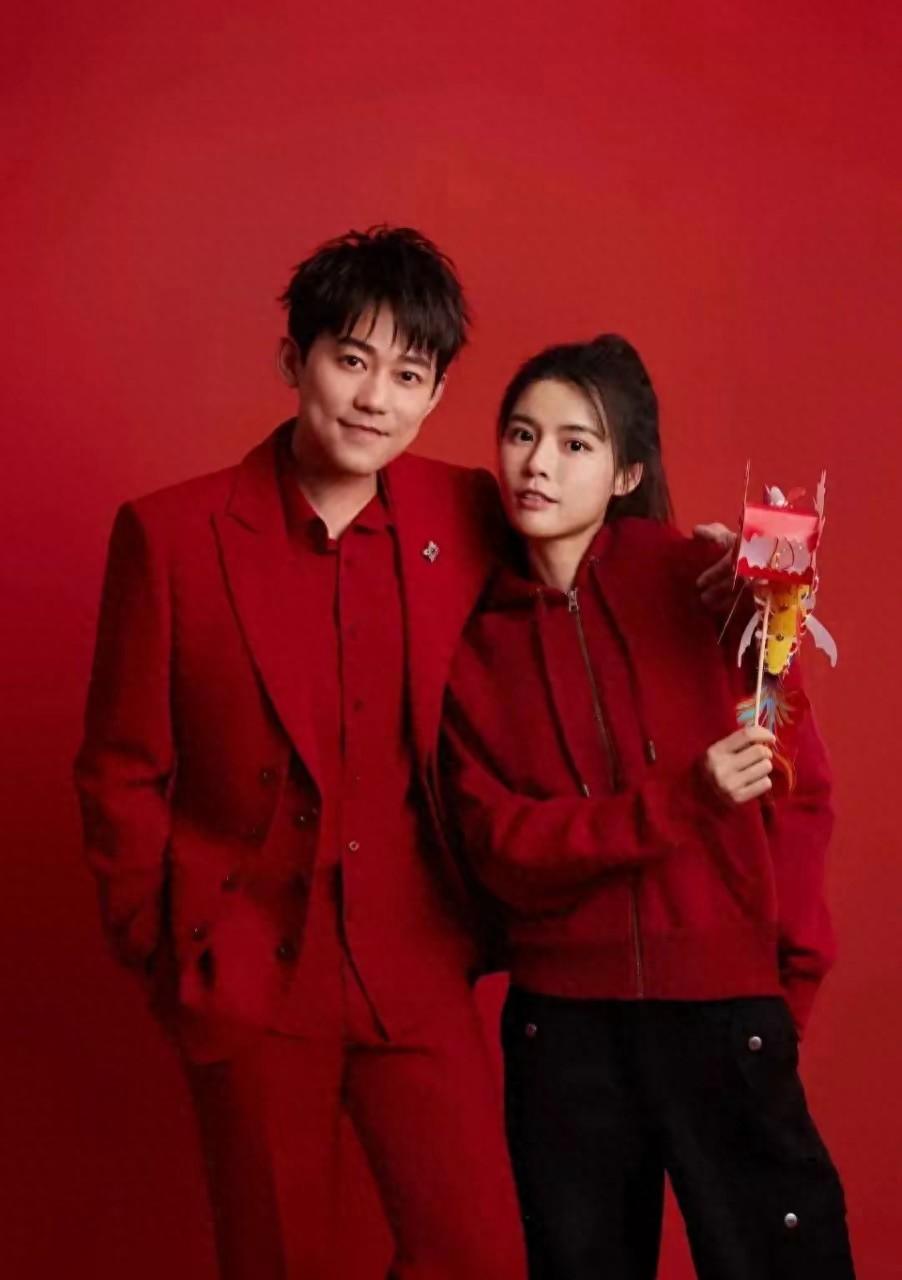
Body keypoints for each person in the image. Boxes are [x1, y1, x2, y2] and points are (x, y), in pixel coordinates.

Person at [74, 226, 529, 1279]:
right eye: (351, 359)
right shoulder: (171, 536)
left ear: (435, 395)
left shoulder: (465, 511)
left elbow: (588, 561)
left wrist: (721, 572)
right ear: (295, 359)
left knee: (483, 1255)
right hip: (249, 975)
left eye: (406, 375)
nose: (374, 399)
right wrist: (163, 945)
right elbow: (119, 765)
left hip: (416, 969)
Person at [440, 334, 855, 1279]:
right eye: (521, 434)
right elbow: (502, 844)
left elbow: (799, 789)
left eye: (576, 443)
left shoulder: (706, 584)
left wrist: (788, 982)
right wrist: (681, 801)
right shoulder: (473, 636)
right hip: (563, 1030)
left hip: (726, 1009)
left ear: (628, 472)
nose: (538, 464)